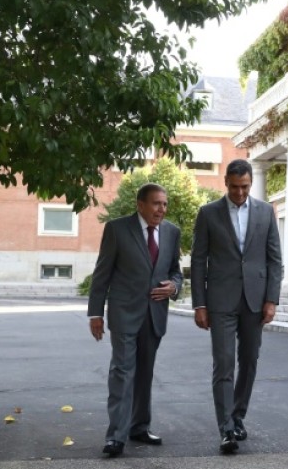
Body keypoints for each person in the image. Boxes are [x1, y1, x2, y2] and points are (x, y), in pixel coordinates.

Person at [191, 158, 283, 454]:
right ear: (226, 183)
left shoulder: (266, 212)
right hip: (220, 300)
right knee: (224, 363)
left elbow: (274, 260)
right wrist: (199, 303)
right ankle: (226, 429)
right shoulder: (208, 213)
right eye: (234, 187)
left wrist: (272, 299)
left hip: (255, 300)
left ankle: (238, 415)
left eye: (244, 187)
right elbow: (198, 260)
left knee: (250, 361)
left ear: (250, 183)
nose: (240, 193)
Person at [87, 183, 183, 457]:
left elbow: (176, 272)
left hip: (154, 315)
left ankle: (140, 426)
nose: (161, 209)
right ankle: (116, 436)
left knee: (144, 373)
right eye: (156, 204)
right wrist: (95, 313)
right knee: (122, 371)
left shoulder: (172, 232)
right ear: (140, 204)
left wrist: (173, 288)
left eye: (164, 204)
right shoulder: (117, 229)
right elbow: (102, 273)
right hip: (124, 313)